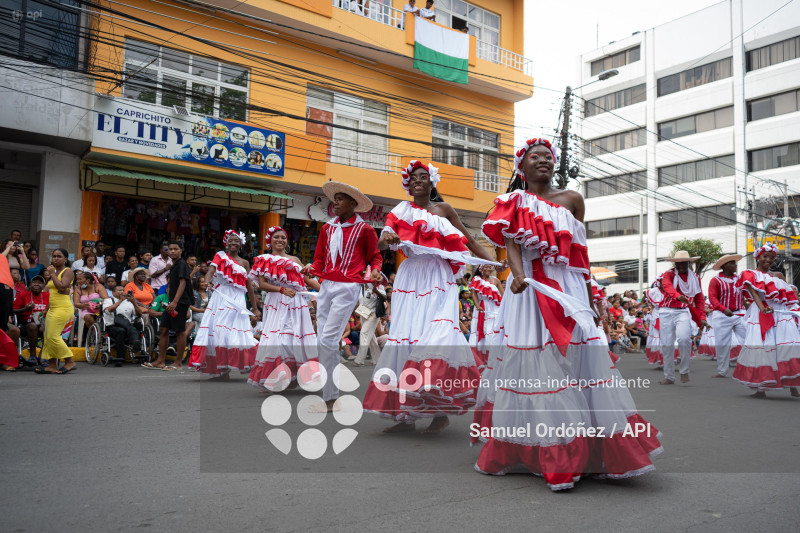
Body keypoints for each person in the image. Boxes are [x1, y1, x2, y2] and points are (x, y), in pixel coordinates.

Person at [472, 138, 661, 490]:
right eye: (535, 156)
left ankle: (591, 452)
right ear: (521, 166)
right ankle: (551, 453)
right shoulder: (513, 201)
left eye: (548, 157)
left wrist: (590, 301)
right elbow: (511, 244)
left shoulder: (573, 199)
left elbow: (580, 257)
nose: (543, 161)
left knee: (580, 363)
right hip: (529, 291)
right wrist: (516, 276)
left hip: (569, 290)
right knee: (540, 368)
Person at [362, 160, 495, 434]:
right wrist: (387, 238)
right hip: (410, 276)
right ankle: (405, 416)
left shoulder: (443, 210)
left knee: (435, 335)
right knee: (407, 338)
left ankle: (439, 412)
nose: (418, 180)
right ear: (407, 184)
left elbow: (468, 239)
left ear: (432, 182)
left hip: (438, 276)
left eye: (423, 177)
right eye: (413, 178)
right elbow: (383, 239)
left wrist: (492, 260)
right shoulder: (400, 210)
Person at [303, 181, 383, 412]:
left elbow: (375, 257)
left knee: (327, 340)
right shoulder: (327, 228)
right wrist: (311, 267)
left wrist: (375, 270)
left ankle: (331, 399)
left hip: (348, 287)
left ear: (353, 203)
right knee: (323, 340)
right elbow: (319, 260)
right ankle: (330, 395)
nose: (335, 202)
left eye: (340, 199)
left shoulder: (365, 229)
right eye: (334, 198)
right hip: (326, 285)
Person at [248, 226, 320, 390]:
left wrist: (327, 292)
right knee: (279, 339)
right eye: (276, 237)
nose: (280, 240)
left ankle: (293, 377)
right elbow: (262, 284)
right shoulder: (264, 259)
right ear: (269, 241)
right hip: (277, 303)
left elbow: (307, 280)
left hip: (297, 303)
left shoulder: (295, 259)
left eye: (283, 237)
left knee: (296, 339)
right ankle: (275, 377)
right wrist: (281, 289)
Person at [188, 232, 261, 377]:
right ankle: (221, 369)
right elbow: (211, 270)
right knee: (219, 332)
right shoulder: (220, 256)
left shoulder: (245, 263)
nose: (233, 243)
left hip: (238, 300)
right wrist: (208, 281)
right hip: (221, 298)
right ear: (226, 243)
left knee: (236, 333)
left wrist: (254, 308)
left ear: (241, 244)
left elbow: (250, 287)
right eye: (230, 240)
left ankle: (232, 366)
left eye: (236, 241)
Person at [732, 244, 800, 398]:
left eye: (771, 257)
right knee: (763, 348)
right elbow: (754, 293)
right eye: (765, 256)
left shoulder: (779, 276)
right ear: (757, 257)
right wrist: (762, 308)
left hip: (781, 315)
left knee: (787, 347)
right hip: (763, 313)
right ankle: (760, 388)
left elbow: (788, 297)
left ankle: (793, 386)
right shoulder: (750, 274)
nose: (768, 260)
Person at [658, 250, 709, 385]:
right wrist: (677, 296)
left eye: (683, 263)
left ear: (688, 263)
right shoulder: (668, 274)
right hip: (666, 311)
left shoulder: (695, 278)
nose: (681, 266)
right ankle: (669, 376)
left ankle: (684, 371)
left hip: (682, 312)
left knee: (685, 339)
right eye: (678, 263)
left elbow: (699, 299)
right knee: (667, 344)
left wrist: (702, 316)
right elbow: (667, 286)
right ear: (675, 264)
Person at [146, 241, 193, 371]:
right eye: (170, 249)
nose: (172, 251)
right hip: (171, 302)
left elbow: (183, 283)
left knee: (179, 331)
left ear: (180, 251)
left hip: (180, 303)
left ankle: (178, 363)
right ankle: (160, 361)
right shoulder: (173, 265)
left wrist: (175, 302)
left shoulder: (182, 264)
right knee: (164, 329)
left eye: (175, 249)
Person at [37, 248, 75, 374]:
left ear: (65, 259)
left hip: (63, 308)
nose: (56, 258)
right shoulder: (55, 271)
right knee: (48, 337)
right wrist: (46, 309)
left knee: (53, 336)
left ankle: (69, 361)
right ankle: (52, 365)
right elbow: (53, 292)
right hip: (52, 308)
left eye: (59, 256)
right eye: (54, 256)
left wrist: (52, 274)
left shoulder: (67, 271)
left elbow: (62, 287)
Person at [708, 254, 746, 378]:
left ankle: (750, 366)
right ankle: (722, 371)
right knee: (722, 344)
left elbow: (744, 295)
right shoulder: (716, 280)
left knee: (748, 339)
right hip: (722, 315)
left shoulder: (739, 279)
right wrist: (724, 310)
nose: (736, 265)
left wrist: (748, 306)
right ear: (725, 266)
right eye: (733, 263)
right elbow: (713, 298)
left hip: (739, 313)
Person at [468, 264, 503, 367]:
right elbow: (473, 294)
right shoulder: (477, 279)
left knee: (493, 332)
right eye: (486, 267)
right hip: (482, 309)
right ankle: (481, 360)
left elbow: (503, 296)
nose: (488, 268)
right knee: (482, 332)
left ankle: (494, 358)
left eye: (490, 267)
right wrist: (477, 306)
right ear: (481, 269)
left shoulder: (496, 280)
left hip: (495, 310)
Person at [102, 285, 144, 366]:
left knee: (133, 328)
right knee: (121, 331)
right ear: (113, 293)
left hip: (127, 325)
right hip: (112, 325)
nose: (122, 292)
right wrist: (120, 300)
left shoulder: (128, 302)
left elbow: (139, 314)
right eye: (119, 290)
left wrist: (134, 302)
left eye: (123, 290)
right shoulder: (108, 300)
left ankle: (136, 344)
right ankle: (120, 357)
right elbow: (108, 310)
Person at [13, 274, 48, 365]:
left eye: (39, 283)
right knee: (32, 326)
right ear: (30, 285)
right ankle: (32, 355)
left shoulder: (47, 295)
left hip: (44, 323)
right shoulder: (23, 295)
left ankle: (43, 355)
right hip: (27, 325)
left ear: (43, 286)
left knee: (49, 327)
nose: (36, 284)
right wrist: (25, 309)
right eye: (34, 282)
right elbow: (12, 310)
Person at [353, 275, 387, 366]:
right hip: (363, 313)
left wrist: (377, 291)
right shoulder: (362, 286)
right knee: (371, 337)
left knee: (364, 333)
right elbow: (359, 301)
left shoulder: (380, 287)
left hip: (373, 314)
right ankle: (377, 359)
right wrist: (356, 311)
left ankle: (360, 360)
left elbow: (385, 298)